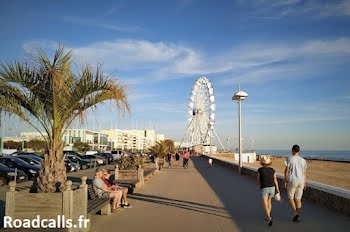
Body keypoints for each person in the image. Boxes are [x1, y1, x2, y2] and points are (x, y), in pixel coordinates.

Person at [284, 145, 307, 222]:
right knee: (298, 199)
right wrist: (304, 183)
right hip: (301, 181)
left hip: (292, 180)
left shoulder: (289, 158)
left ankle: (295, 212)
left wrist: (285, 180)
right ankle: (297, 214)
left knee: (290, 198)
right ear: (298, 151)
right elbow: (304, 173)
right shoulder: (303, 160)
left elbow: (286, 170)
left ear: (292, 150)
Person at [257, 155, 280, 226]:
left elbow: (258, 180)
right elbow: (275, 180)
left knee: (265, 204)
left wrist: (260, 184)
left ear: (262, 163)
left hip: (265, 188)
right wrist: (278, 189)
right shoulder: (273, 170)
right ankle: (268, 216)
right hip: (272, 188)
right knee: (269, 201)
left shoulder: (260, 170)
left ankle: (269, 218)